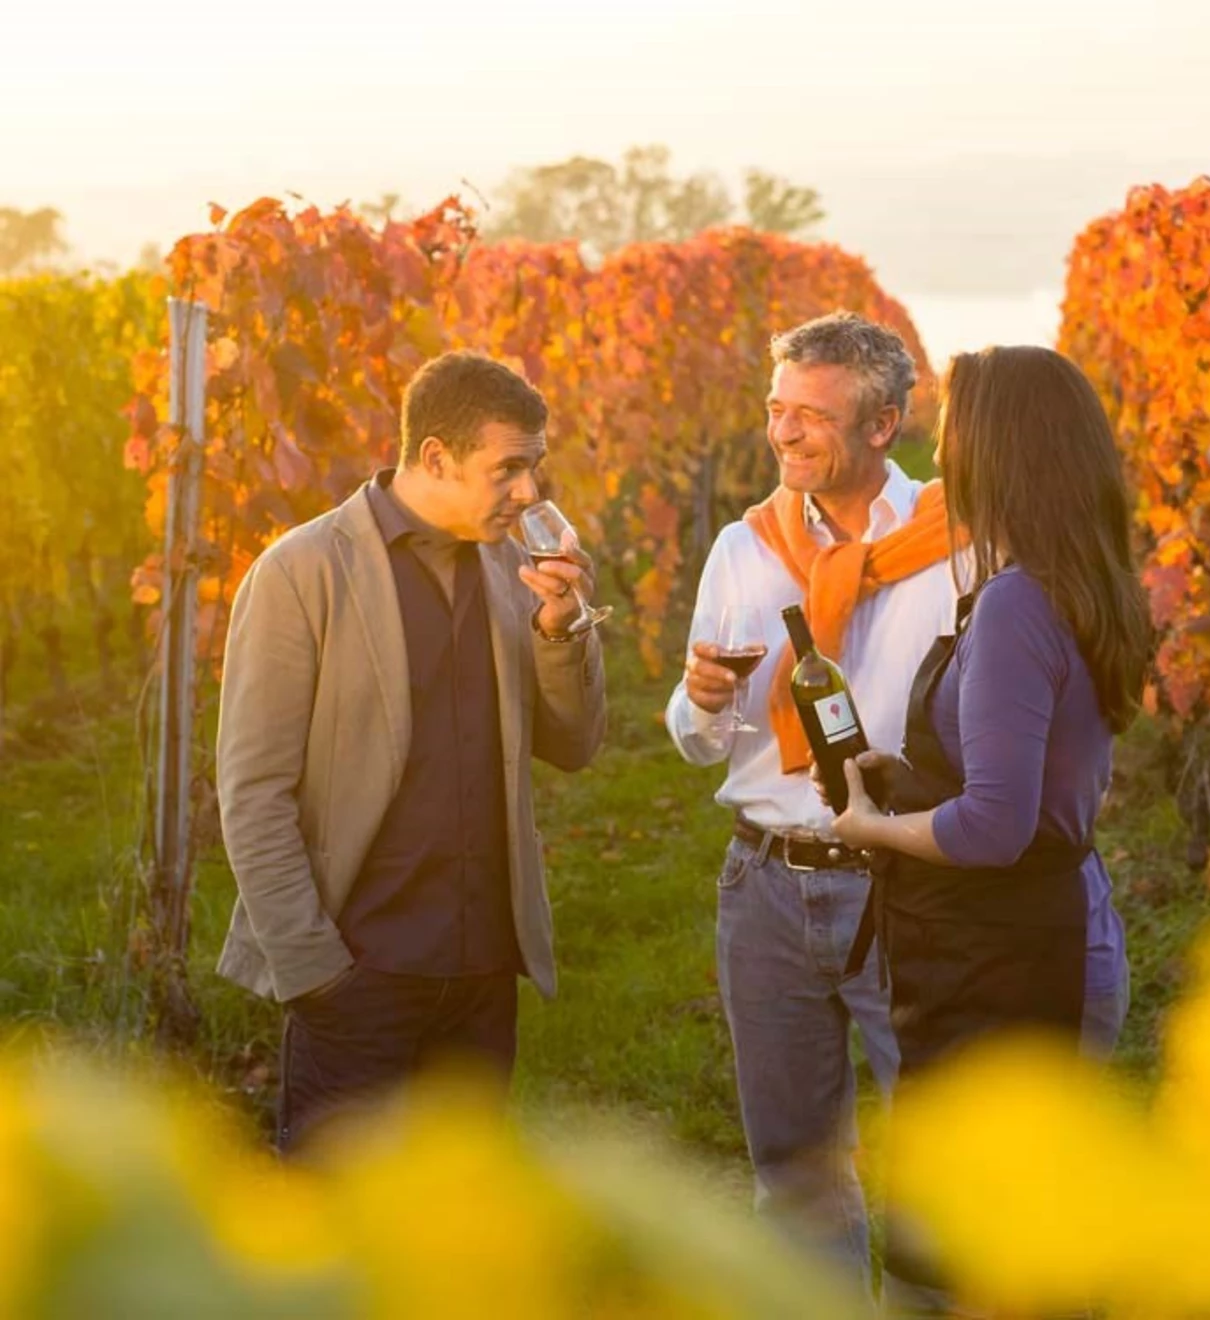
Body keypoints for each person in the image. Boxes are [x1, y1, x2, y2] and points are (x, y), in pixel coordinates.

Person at [215, 350, 607, 1154]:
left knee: (452, 1215)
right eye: (509, 468)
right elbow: (253, 793)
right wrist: (314, 970)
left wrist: (562, 629)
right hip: (357, 976)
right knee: (337, 1216)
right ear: (435, 456)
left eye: (535, 466)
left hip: (483, 975)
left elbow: (574, 745)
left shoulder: (517, 570)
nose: (530, 491)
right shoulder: (301, 572)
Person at [827, 344, 1150, 1310]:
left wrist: (873, 827)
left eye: (952, 433)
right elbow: (1043, 775)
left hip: (1011, 960)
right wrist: (915, 779)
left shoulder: (1014, 604)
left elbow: (994, 828)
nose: (939, 451)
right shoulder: (1077, 580)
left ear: (998, 451)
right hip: (1047, 930)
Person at [666, 312, 959, 1291]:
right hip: (766, 884)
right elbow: (698, 739)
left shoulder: (953, 543)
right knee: (794, 1171)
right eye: (775, 409)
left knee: (934, 1164)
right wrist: (702, 700)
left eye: (812, 416)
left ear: (882, 425)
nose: (783, 433)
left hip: (907, 883)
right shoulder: (744, 547)